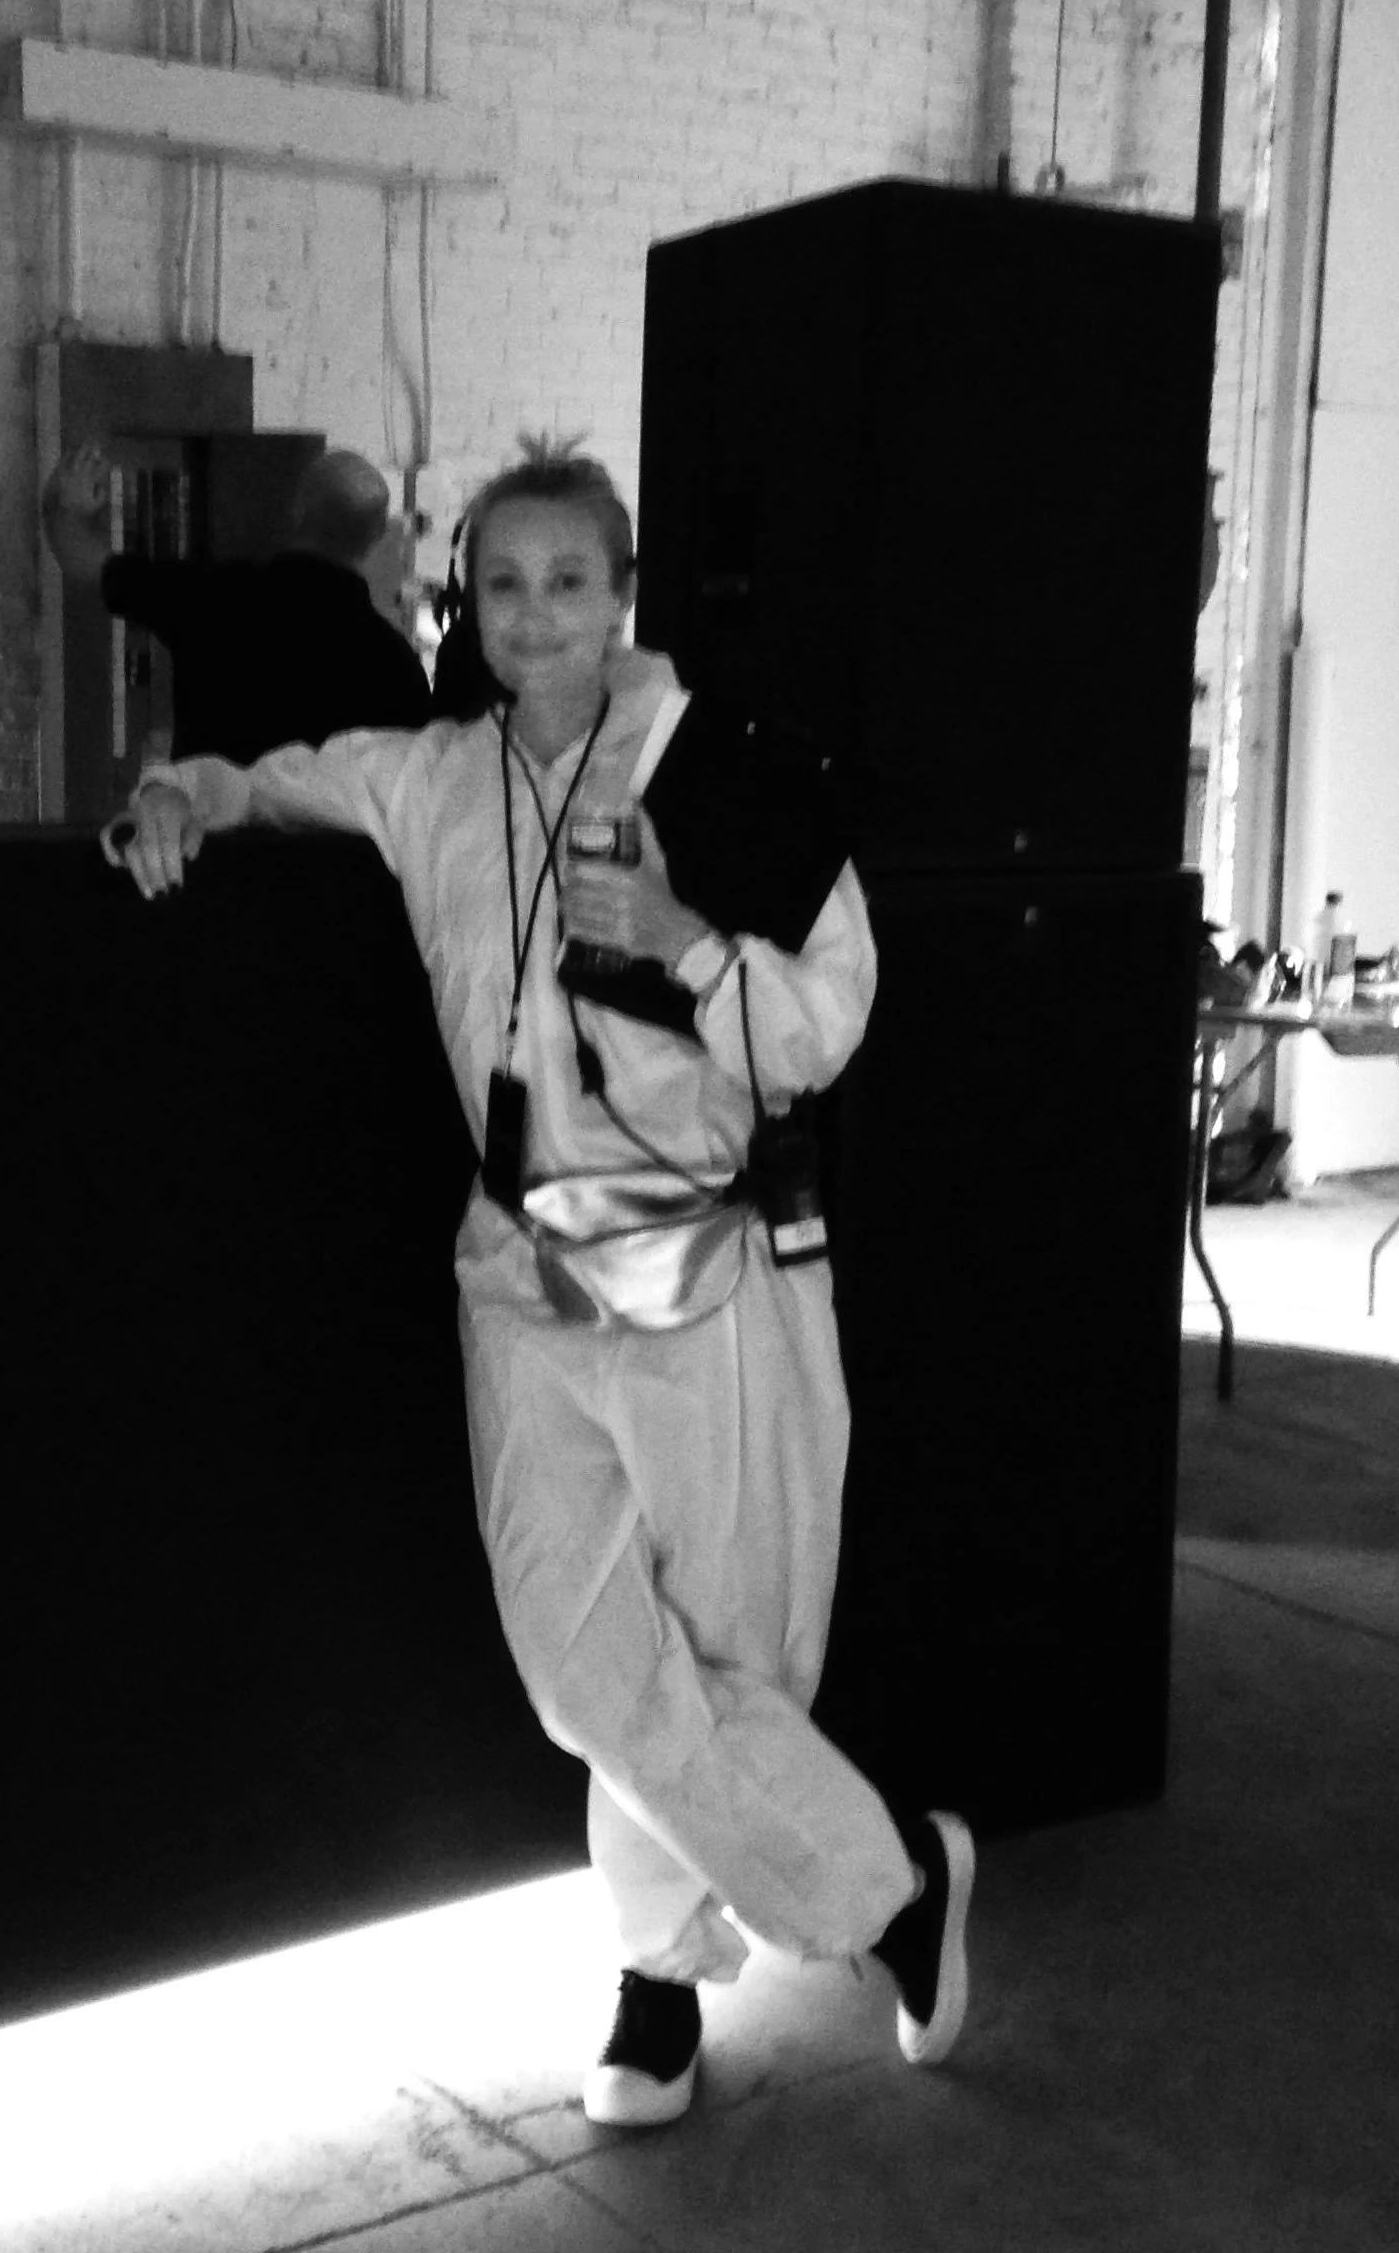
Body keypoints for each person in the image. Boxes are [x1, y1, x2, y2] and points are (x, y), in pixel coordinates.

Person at [104, 436, 973, 2128]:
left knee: (731, 1650)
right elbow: (267, 780)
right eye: (500, 583)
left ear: (621, 594)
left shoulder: (722, 775)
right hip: (518, 1269)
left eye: (568, 580)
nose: (534, 613)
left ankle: (656, 1983)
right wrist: (177, 792)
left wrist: (680, 938)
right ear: (460, 603)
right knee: (581, 1659)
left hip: (709, 1266)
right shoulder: (430, 777)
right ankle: (895, 1887)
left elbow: (821, 1027)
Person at [42, 440, 433, 764]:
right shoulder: (397, 668)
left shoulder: (215, 596)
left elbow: (81, 559)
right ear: (375, 537)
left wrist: (67, 504)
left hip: (210, 833)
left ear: (297, 511)